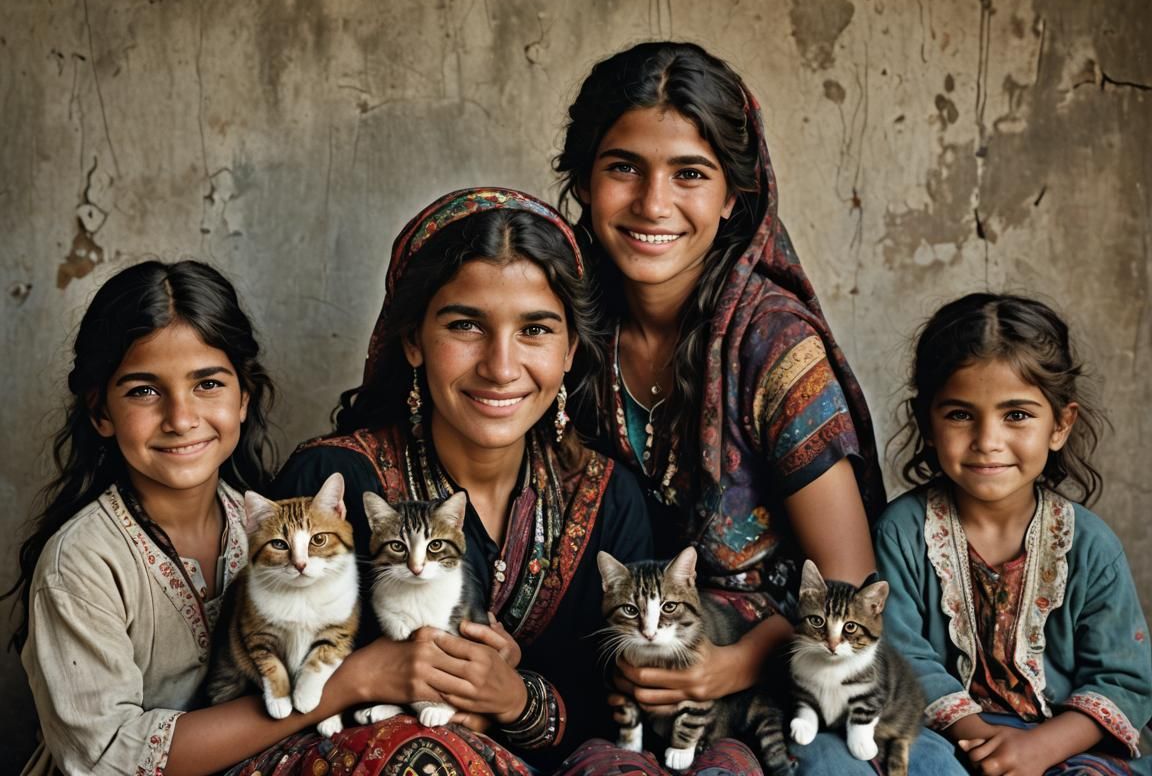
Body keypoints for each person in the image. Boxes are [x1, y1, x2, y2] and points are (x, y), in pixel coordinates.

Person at [553, 41, 963, 775]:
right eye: (623, 167)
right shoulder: (554, 322)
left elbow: (846, 575)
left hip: (776, 679)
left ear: (734, 195)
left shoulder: (770, 343)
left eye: (690, 174)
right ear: (584, 179)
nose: (653, 203)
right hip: (605, 669)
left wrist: (729, 666)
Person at [254, 187, 743, 775]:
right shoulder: (330, 488)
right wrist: (392, 688)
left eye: (535, 330)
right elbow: (262, 683)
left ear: (570, 352)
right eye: (466, 326)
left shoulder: (609, 497)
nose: (501, 367)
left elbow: (620, 704)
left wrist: (514, 701)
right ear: (413, 341)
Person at [8, 260, 412, 776]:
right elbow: (109, 759)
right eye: (143, 391)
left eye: (208, 385)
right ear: (100, 412)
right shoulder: (82, 565)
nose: (181, 418)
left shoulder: (272, 529)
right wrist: (347, 684)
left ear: (244, 397)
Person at [876, 293, 1152, 776]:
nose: (987, 441)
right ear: (927, 424)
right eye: (960, 414)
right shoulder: (901, 533)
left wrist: (1038, 749)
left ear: (1060, 425)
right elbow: (899, 656)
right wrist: (988, 745)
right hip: (948, 738)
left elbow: (1124, 679)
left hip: (1063, 745)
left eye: (1017, 415)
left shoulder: (1090, 545)